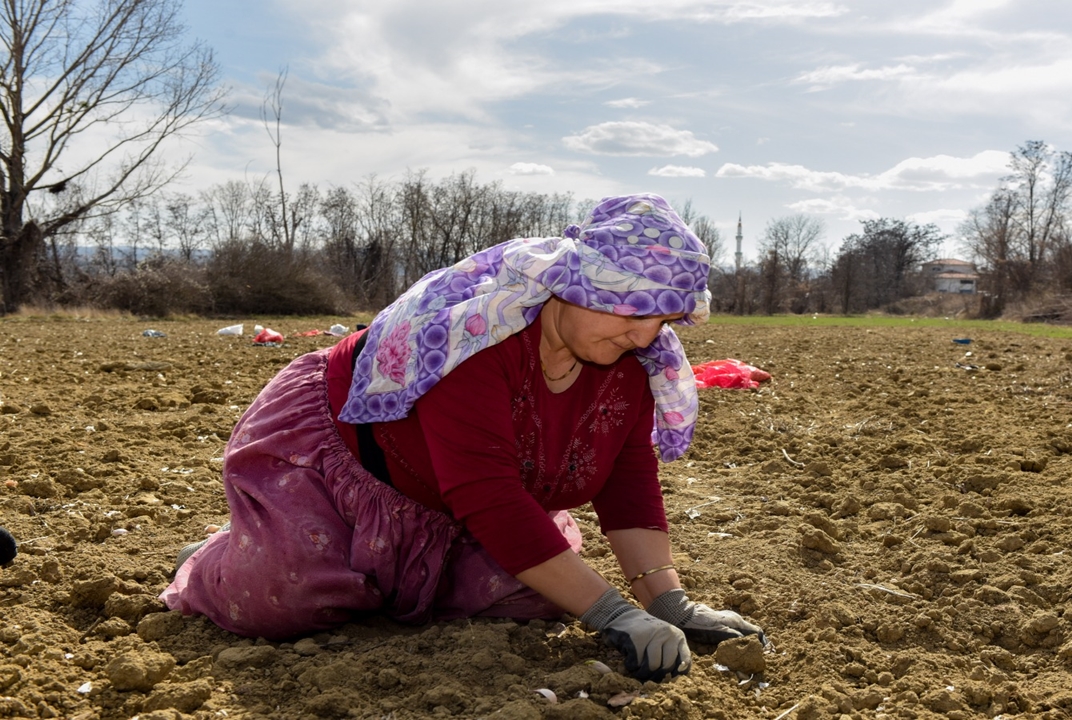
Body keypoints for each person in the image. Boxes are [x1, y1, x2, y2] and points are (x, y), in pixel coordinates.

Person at [161, 193, 763, 681]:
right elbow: (489, 494)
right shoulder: (474, 340)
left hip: (447, 501)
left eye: (663, 319)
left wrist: (665, 602)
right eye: (634, 313)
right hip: (349, 471)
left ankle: (385, 571)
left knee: (536, 600)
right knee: (281, 599)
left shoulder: (634, 361)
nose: (646, 336)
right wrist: (612, 615)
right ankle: (228, 555)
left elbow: (628, 481)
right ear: (575, 288)